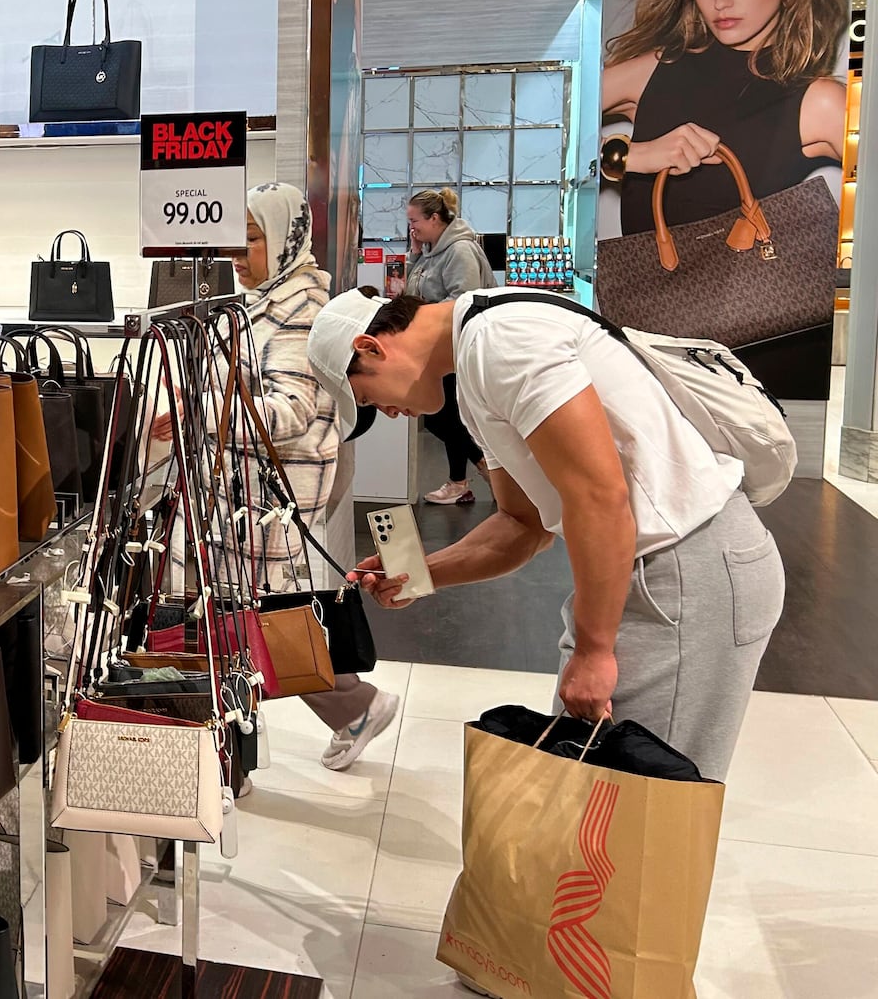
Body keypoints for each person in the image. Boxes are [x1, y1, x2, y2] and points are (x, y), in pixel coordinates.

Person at [307, 287, 784, 783]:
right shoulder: (479, 355)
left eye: (366, 395)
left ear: (372, 347)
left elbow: (598, 495)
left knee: (640, 808)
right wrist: (421, 573)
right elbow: (523, 525)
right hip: (657, 573)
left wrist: (594, 651)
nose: (384, 412)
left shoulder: (499, 339)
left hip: (684, 571)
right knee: (598, 803)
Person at [153, 182, 398, 772]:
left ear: (287, 238)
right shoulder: (266, 299)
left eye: (254, 240)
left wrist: (196, 412)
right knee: (241, 623)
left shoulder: (299, 310)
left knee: (243, 627)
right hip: (247, 491)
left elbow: (287, 413)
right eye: (237, 240)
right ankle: (321, 719)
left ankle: (343, 709)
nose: (240, 255)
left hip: (269, 493)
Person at [601, 0, 846, 236]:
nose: (720, 1)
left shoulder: (818, 101)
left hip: (751, 284)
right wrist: (628, 156)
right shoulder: (655, 71)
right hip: (634, 283)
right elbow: (532, 128)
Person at [406, 188, 494, 506]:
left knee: (443, 414)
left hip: (459, 346)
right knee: (446, 414)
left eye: (415, 221)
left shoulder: (459, 251)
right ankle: (464, 479)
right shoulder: (431, 251)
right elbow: (409, 289)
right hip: (441, 345)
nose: (411, 227)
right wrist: (415, 252)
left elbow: (464, 300)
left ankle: (481, 469)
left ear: (435, 218)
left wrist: (425, 317)